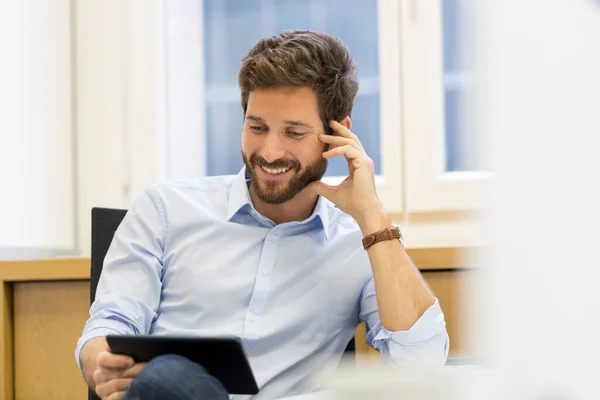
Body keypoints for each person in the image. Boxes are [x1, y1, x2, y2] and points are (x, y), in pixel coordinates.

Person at [75, 30, 449, 400]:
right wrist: (104, 364)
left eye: (294, 132)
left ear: (339, 134)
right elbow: (109, 326)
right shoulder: (164, 210)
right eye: (257, 128)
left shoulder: (359, 245)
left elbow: (421, 368)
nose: (270, 152)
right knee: (169, 378)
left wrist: (373, 217)